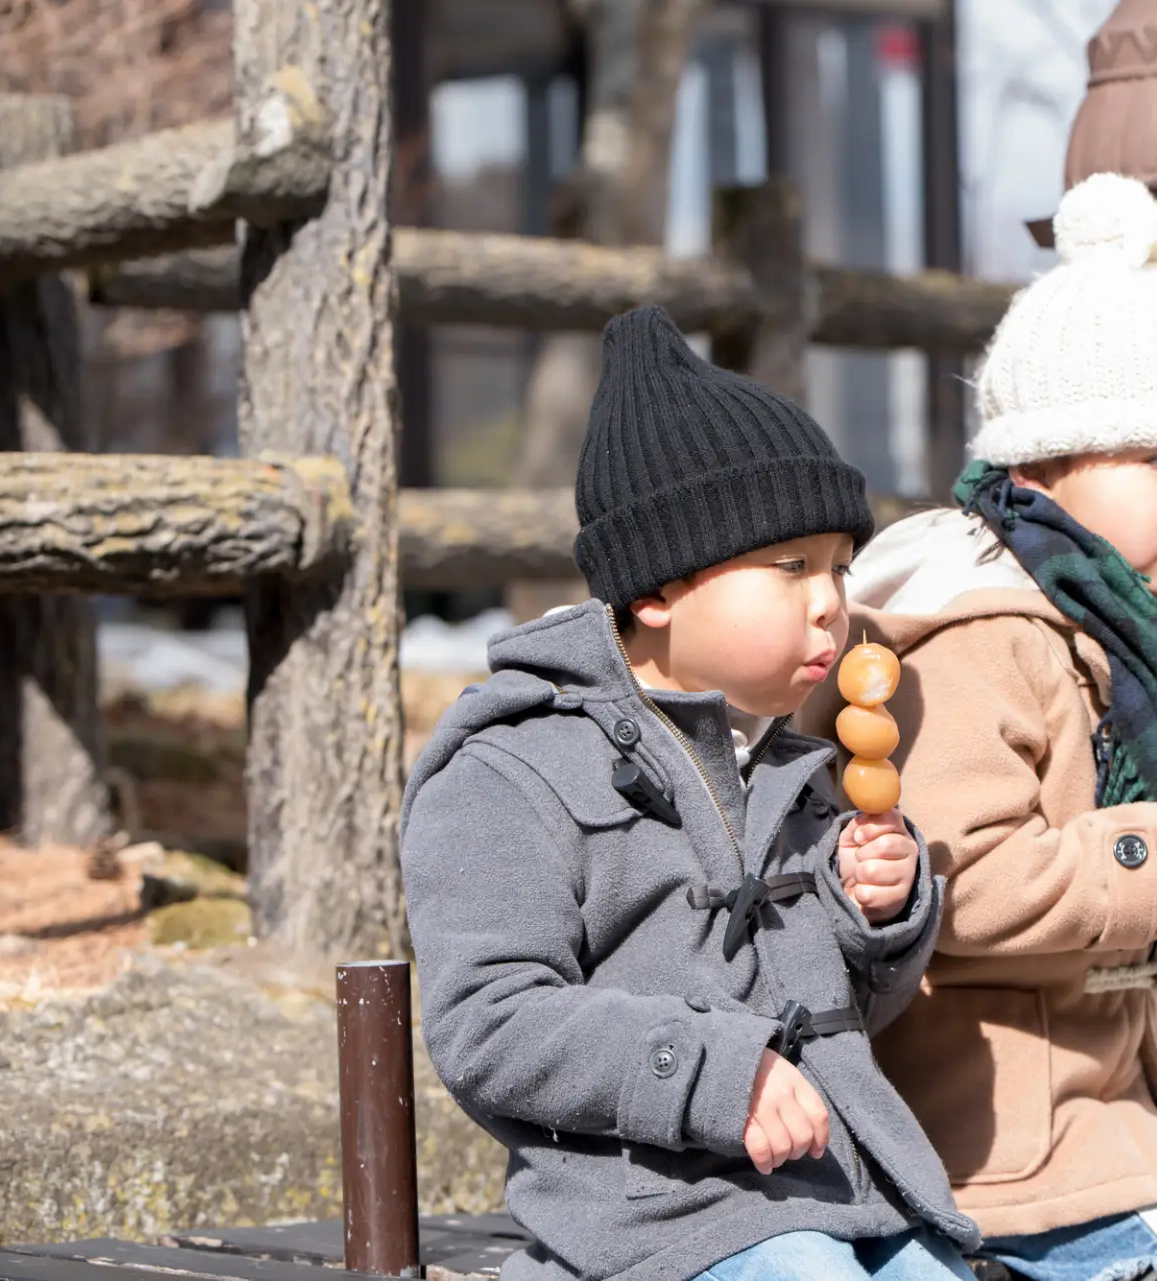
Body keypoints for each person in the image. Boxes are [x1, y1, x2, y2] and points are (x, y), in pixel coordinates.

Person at [803, 174, 1157, 1281]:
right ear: (1041, 468)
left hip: (1106, 1109)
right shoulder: (976, 629)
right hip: (990, 1135)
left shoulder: (1146, 637)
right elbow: (967, 883)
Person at [400, 306, 982, 1281]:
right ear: (661, 589)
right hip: (657, 1217)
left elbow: (844, 1011)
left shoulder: (795, 764)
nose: (831, 601)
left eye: (840, 566)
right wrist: (710, 1070)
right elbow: (489, 1023)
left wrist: (875, 913)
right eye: (790, 566)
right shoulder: (513, 766)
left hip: (851, 1187)